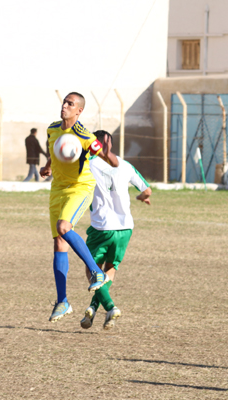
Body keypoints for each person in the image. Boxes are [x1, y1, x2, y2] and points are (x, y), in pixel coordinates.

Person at [40, 92, 119, 323]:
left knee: (64, 227)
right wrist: (48, 166)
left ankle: (96, 272)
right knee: (59, 242)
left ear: (79, 111)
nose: (64, 106)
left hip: (79, 188)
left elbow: (105, 157)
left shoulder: (84, 135)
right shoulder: (52, 129)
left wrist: (110, 157)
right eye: (64, 102)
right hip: (57, 189)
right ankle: (62, 302)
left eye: (70, 104)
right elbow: (55, 150)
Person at [79, 130, 152, 330]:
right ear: (110, 144)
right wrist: (141, 197)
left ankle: (110, 307)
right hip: (125, 227)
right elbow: (147, 190)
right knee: (111, 268)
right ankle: (93, 307)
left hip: (101, 228)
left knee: (92, 269)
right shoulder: (125, 165)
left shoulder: (87, 164)